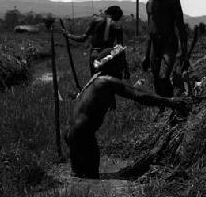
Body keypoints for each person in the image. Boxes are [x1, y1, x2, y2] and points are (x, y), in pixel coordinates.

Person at [64, 45, 191, 179]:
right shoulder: (108, 81)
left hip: (70, 132)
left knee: (77, 177)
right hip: (83, 135)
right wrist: (169, 101)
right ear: (112, 64)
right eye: (120, 62)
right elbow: (138, 94)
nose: (123, 66)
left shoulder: (95, 79)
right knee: (92, 179)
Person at [141, 0, 189, 97]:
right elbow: (150, 31)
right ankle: (161, 107)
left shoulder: (172, 0)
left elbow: (181, 28)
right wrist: (146, 55)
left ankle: (170, 104)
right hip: (154, 44)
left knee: (164, 77)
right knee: (156, 77)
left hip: (169, 42)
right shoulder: (149, 4)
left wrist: (184, 54)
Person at [61, 5, 130, 78]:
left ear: (106, 13)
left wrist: (68, 35)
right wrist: (125, 68)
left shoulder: (96, 21)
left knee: (95, 81)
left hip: (95, 54)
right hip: (110, 55)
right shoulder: (117, 26)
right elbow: (119, 48)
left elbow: (82, 39)